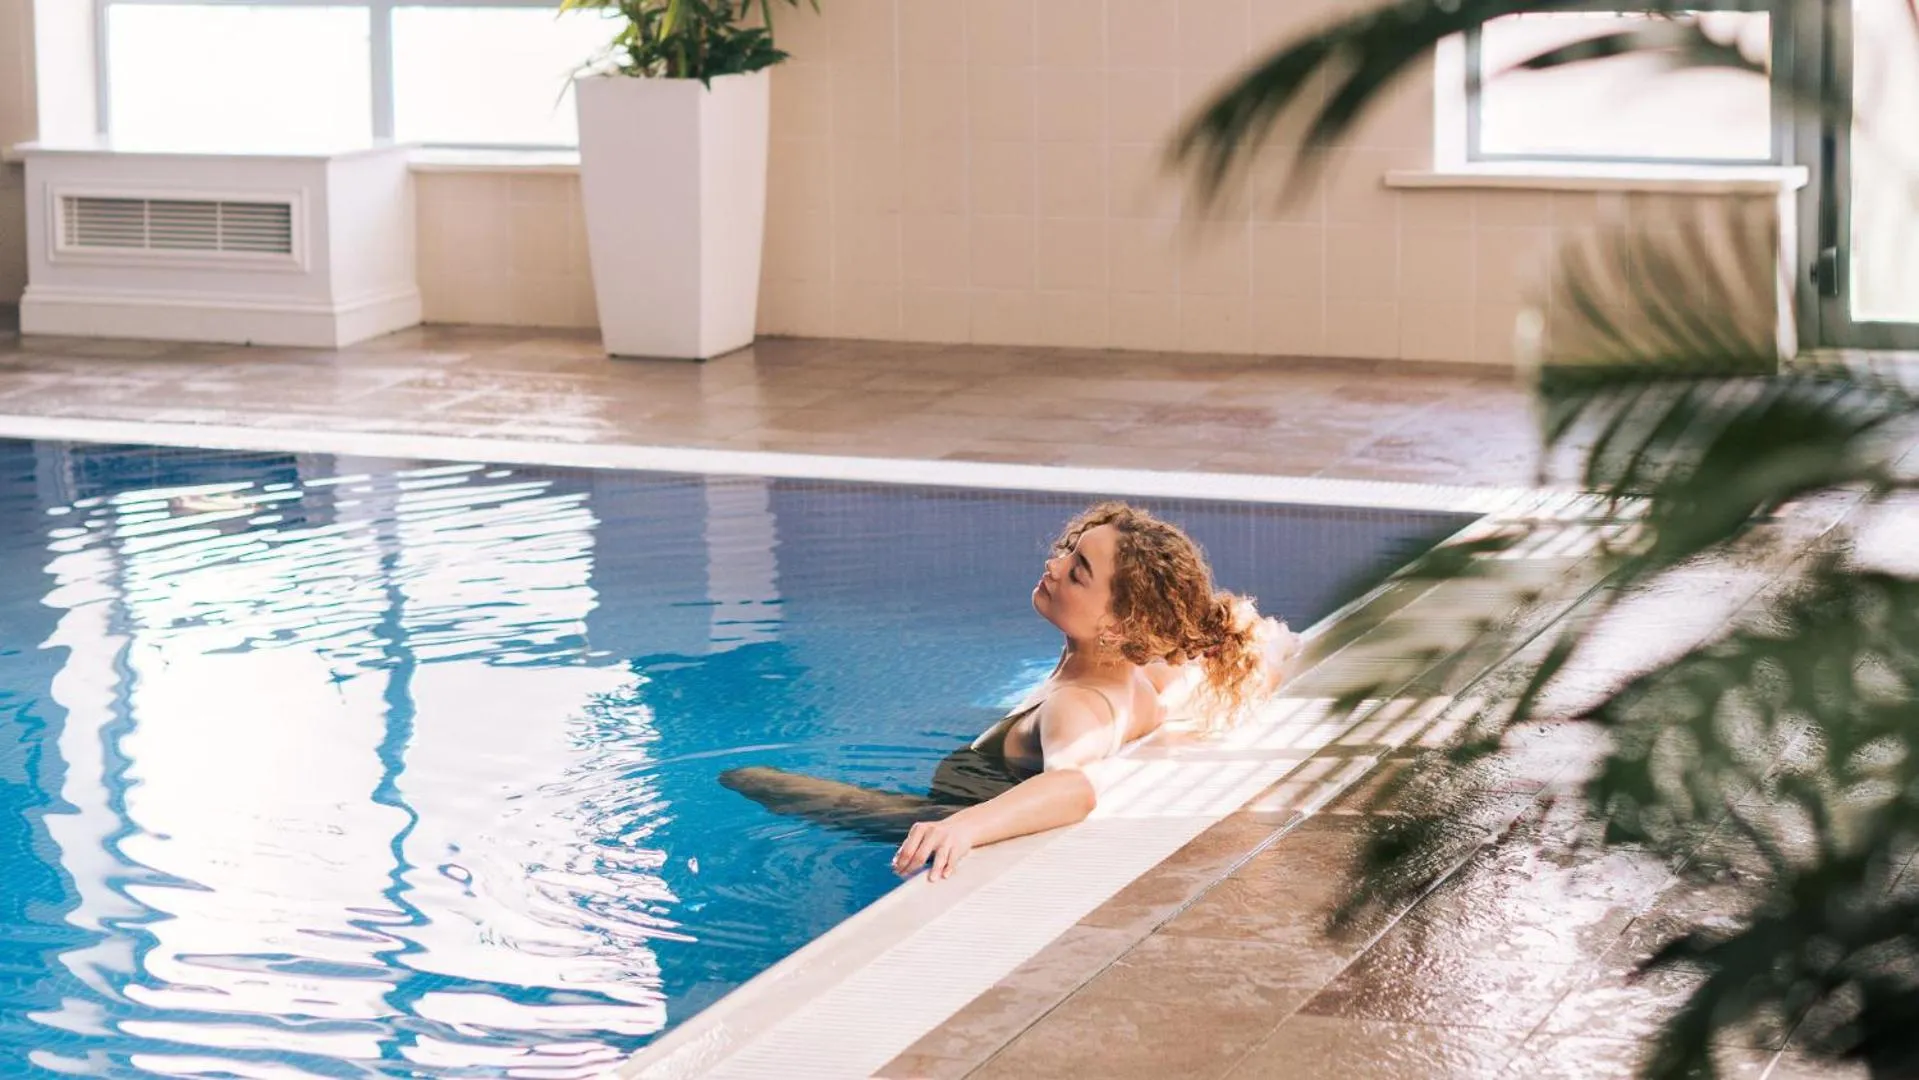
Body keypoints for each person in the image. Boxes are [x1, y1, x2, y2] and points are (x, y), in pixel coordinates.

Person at [718, 501, 1301, 883]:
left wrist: (964, 827)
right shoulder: (1142, 673)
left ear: (1117, 624)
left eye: (1078, 572)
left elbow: (1074, 786)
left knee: (751, 780)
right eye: (1069, 550)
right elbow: (1197, 673)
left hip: (945, 814)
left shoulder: (1077, 707)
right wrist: (1269, 649)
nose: (1055, 564)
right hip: (970, 796)